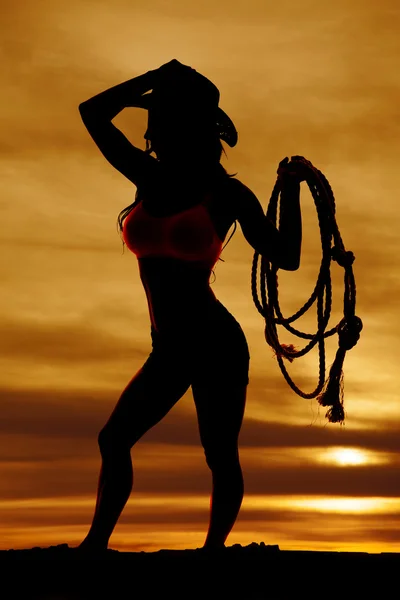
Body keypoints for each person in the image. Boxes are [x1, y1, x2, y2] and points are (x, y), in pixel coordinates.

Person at [77, 59, 303, 551]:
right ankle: (95, 545)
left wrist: (292, 189)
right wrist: (153, 78)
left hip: (214, 343)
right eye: (157, 118)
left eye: (166, 117)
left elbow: (287, 257)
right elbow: (91, 113)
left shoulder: (226, 194)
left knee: (218, 454)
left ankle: (212, 551)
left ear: (195, 126)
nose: (156, 128)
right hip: (170, 346)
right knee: (114, 439)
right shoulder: (146, 175)